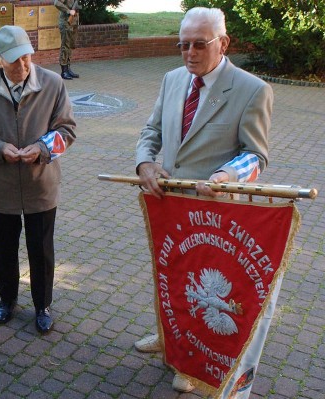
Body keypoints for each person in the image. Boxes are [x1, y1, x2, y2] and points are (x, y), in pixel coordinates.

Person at [134, 7, 273, 395]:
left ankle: (189, 363)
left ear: (223, 43)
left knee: (202, 287)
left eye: (199, 44)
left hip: (216, 210)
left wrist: (226, 177)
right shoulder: (172, 79)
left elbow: (256, 155)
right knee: (170, 276)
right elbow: (151, 130)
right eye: (182, 45)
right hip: (170, 204)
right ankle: (167, 336)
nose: (189, 53)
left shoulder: (252, 89)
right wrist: (145, 162)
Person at [0, 25, 76, 334]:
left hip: (41, 184)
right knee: (4, 248)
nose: (23, 66)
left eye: (27, 57)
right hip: (1, 186)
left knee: (41, 250)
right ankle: (7, 300)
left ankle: (42, 304)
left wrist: (41, 149)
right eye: (14, 60)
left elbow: (67, 130)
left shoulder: (53, 84)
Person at [54, 0, 81, 79]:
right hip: (66, 22)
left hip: (73, 22)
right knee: (65, 46)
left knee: (70, 46)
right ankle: (64, 71)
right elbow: (56, 3)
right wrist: (68, 11)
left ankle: (68, 69)